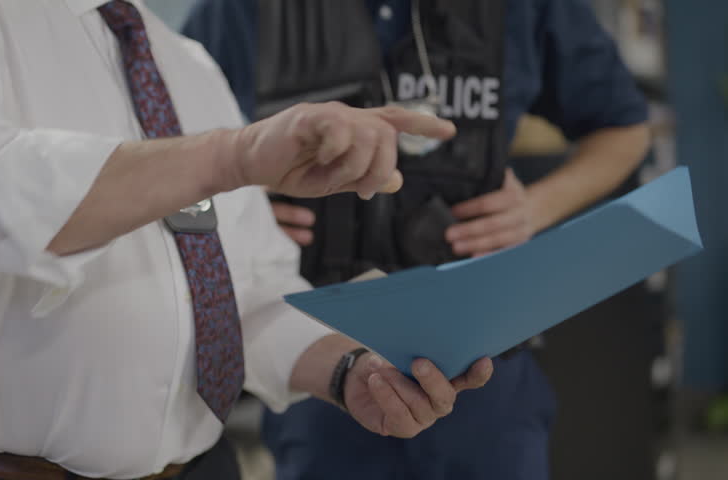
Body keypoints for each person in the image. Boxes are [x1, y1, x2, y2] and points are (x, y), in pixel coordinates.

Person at [0, 1, 496, 479]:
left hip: (203, 467)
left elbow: (247, 293)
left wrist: (352, 370)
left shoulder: (187, 65)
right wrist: (227, 158)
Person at [183, 0, 651, 479]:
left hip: (482, 367)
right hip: (321, 369)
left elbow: (626, 127)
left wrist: (535, 208)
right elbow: (177, 154)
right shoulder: (239, 10)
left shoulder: (525, 8)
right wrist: (242, 211)